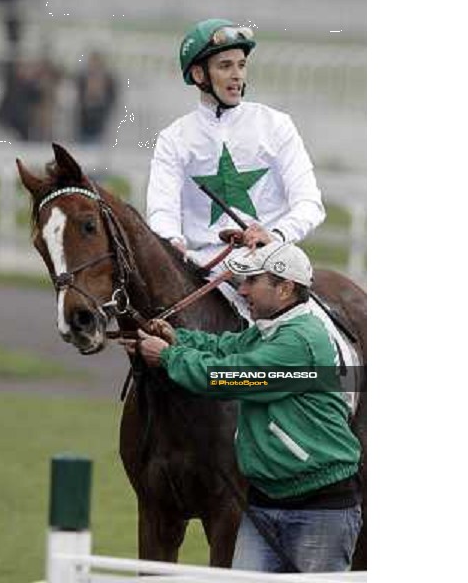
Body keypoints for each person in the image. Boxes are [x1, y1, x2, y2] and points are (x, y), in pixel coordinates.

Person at [120, 241, 362, 573]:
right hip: (264, 503)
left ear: (285, 288)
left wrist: (167, 356)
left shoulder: (299, 340)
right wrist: (177, 337)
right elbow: (223, 347)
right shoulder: (269, 331)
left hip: (319, 512)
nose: (243, 290)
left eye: (252, 281)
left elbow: (231, 378)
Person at [146, 19, 325, 316]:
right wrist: (171, 243)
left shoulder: (277, 125)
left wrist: (275, 235)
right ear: (198, 73)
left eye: (241, 65)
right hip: (201, 272)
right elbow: (161, 211)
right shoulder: (173, 138)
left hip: (270, 268)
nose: (237, 76)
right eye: (225, 66)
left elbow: (310, 204)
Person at [74, 51, 117, 144]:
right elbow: (78, 97)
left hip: (100, 119)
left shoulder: (108, 80)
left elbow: (112, 98)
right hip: (84, 120)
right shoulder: (82, 79)